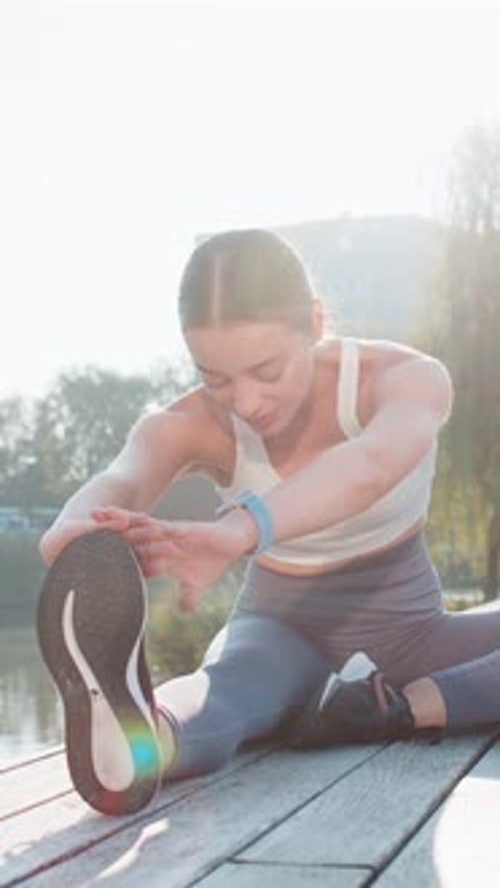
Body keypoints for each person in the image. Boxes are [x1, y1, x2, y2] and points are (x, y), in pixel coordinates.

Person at [37, 228, 500, 817]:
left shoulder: (404, 379)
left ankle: (408, 706)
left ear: (314, 320)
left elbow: (370, 466)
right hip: (279, 631)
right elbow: (124, 477)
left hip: (411, 636)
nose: (246, 401)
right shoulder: (186, 424)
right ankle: (136, 740)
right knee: (230, 686)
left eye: (267, 370)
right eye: (216, 378)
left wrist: (237, 531)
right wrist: (75, 533)